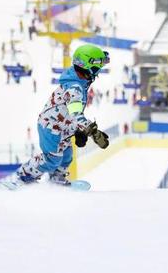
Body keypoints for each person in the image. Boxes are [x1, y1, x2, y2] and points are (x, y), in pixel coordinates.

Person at [9, 45, 111, 187]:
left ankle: (56, 180)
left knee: (67, 156)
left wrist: (77, 130)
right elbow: (76, 114)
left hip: (63, 128)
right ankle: (20, 177)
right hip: (51, 127)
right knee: (51, 159)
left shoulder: (79, 83)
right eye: (96, 68)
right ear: (87, 67)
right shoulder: (75, 88)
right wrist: (92, 131)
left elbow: (70, 112)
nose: (98, 72)